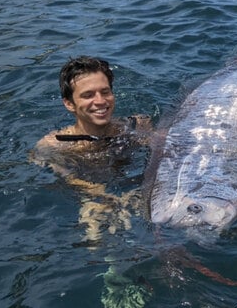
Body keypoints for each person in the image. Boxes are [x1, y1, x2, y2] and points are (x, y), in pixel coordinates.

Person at [31, 56, 152, 239]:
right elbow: (67, 176)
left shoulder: (137, 126)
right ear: (69, 104)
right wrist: (102, 198)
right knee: (95, 232)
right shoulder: (55, 145)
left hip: (136, 188)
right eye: (88, 95)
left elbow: (167, 150)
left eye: (105, 92)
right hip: (93, 197)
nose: (100, 101)